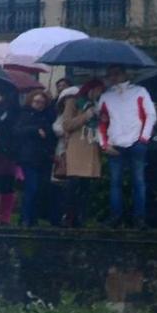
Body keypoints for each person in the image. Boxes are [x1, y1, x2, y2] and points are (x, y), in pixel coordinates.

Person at [97, 66, 155, 228]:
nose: (113, 77)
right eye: (110, 74)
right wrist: (104, 144)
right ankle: (116, 217)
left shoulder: (139, 91)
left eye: (116, 74)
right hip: (115, 144)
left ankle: (139, 218)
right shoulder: (106, 96)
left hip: (136, 141)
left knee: (139, 181)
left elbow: (150, 114)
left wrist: (143, 138)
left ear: (124, 74)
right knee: (115, 182)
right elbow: (101, 122)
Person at [54, 81, 102, 228]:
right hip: (76, 144)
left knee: (85, 185)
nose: (99, 94)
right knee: (73, 183)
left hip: (92, 145)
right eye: (97, 90)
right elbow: (67, 124)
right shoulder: (73, 101)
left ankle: (81, 217)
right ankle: (68, 216)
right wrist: (86, 116)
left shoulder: (98, 104)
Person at [9, 88, 56, 227]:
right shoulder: (24, 114)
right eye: (36, 101)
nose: (39, 105)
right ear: (31, 101)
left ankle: (33, 217)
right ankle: (25, 218)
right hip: (28, 157)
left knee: (40, 189)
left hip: (43, 157)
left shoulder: (48, 116)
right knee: (31, 187)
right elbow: (17, 131)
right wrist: (34, 130)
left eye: (42, 102)